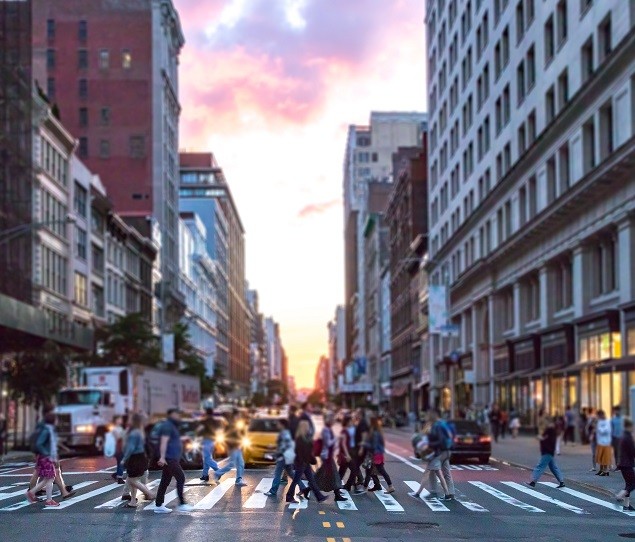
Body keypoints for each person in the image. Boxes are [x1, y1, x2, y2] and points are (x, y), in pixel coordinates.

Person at [154, 408, 193, 514]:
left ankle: (158, 505)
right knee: (181, 478)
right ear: (171, 414)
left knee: (165, 481)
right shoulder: (168, 425)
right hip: (169, 458)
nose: (179, 416)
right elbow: (164, 442)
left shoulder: (172, 426)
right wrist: (162, 457)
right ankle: (182, 504)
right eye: (177, 414)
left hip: (172, 457)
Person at [26, 412, 67, 507]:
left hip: (46, 457)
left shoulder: (49, 429)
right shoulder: (47, 430)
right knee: (50, 478)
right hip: (46, 457)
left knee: (49, 478)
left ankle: (42, 497)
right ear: (53, 420)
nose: (57, 421)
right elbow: (39, 444)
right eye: (56, 419)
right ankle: (37, 495)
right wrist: (47, 454)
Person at [285, 420, 326, 504]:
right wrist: (311, 459)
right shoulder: (301, 439)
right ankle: (289, 496)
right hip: (302, 462)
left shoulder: (302, 437)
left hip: (304, 462)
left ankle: (319, 496)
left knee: (311, 479)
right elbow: (304, 451)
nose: (309, 428)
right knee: (296, 480)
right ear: (304, 428)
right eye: (307, 427)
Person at [264, 419, 306, 498]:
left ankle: (273, 491)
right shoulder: (287, 432)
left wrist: (276, 453)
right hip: (288, 457)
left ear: (282, 425)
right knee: (291, 473)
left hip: (283, 457)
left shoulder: (284, 433)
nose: (277, 425)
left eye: (279, 424)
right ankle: (303, 487)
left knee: (277, 474)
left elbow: (284, 446)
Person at [122, 413, 154, 508]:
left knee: (132, 480)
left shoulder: (133, 432)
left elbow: (130, 448)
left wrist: (124, 458)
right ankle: (133, 501)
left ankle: (148, 493)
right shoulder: (140, 431)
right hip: (141, 457)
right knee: (133, 479)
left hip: (134, 458)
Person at [315, 414, 347, 502]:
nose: (333, 422)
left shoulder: (328, 429)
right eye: (332, 420)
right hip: (326, 456)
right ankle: (337, 495)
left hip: (328, 455)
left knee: (321, 475)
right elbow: (328, 443)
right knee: (334, 475)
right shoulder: (325, 430)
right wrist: (338, 438)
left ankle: (307, 489)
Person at [526, 416, 565, 488]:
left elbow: (548, 440)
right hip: (550, 451)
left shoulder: (550, 430)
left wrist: (541, 439)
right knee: (553, 467)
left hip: (547, 451)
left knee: (540, 466)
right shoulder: (551, 430)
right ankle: (561, 481)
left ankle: (533, 481)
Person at [214, 410, 248, 487]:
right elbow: (226, 437)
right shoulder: (229, 426)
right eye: (237, 416)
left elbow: (242, 435)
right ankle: (218, 473)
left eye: (239, 416)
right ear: (234, 416)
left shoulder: (239, 425)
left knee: (241, 463)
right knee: (232, 463)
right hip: (233, 447)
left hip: (238, 447)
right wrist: (232, 444)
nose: (239, 417)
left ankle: (238, 480)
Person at [427, 410, 455, 500]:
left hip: (439, 451)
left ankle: (434, 491)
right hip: (447, 450)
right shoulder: (444, 424)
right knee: (446, 471)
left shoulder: (436, 426)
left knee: (433, 470)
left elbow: (439, 439)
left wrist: (430, 445)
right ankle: (451, 492)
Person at [363, 416, 394, 494]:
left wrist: (365, 444)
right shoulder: (377, 431)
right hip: (378, 453)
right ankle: (377, 485)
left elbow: (373, 445)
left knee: (379, 470)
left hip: (375, 454)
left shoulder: (374, 433)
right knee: (373, 470)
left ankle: (390, 486)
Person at [616, 418, 635, 511]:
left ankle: (626, 505)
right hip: (627, 464)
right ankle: (620, 495)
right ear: (629, 426)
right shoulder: (628, 437)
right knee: (633, 484)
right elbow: (632, 451)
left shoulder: (623, 436)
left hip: (623, 464)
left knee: (628, 483)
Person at [197, 408, 220, 483]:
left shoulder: (205, 420)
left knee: (207, 458)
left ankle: (219, 471)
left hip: (207, 440)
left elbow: (200, 427)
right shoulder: (215, 421)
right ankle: (205, 475)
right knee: (206, 458)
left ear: (206, 413)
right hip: (212, 441)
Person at [595, 410, 612, 476]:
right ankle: (601, 469)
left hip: (606, 442)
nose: (598, 417)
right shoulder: (599, 421)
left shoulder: (607, 421)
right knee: (600, 456)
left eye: (599, 415)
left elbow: (606, 430)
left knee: (605, 457)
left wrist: (599, 429)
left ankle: (606, 470)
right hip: (600, 441)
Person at [337, 416, 354, 486]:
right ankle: (346, 486)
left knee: (341, 472)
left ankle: (338, 488)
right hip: (345, 454)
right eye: (350, 421)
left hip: (346, 454)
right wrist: (347, 455)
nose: (351, 423)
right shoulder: (344, 431)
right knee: (354, 470)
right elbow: (343, 444)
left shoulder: (346, 430)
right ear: (347, 422)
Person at [111, 416, 126, 484]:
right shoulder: (114, 429)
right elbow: (118, 437)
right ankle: (120, 477)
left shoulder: (120, 428)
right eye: (119, 419)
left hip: (121, 447)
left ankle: (116, 474)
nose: (121, 420)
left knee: (121, 462)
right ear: (116, 421)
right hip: (118, 448)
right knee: (121, 462)